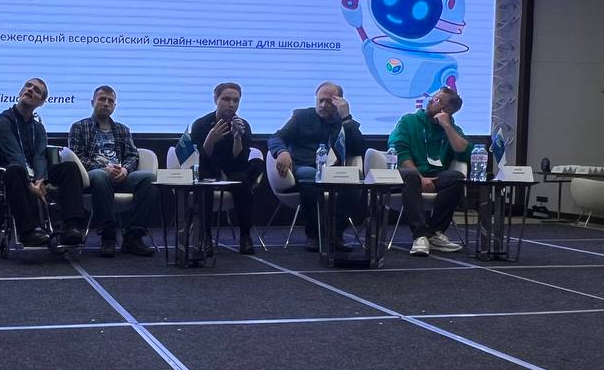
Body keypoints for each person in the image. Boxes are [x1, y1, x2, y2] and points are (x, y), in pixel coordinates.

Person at [268, 81, 368, 252]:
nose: (323, 105)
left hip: (333, 170)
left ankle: (336, 233)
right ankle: (314, 235)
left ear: (339, 102)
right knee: (311, 175)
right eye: (320, 100)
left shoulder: (344, 122)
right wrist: (282, 152)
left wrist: (346, 118)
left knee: (354, 182)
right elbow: (276, 138)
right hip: (304, 166)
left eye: (328, 101)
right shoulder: (301, 117)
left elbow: (359, 149)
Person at [0, 77, 86, 247]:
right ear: (21, 92)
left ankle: (72, 227)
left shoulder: (38, 128)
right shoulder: (3, 120)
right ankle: (29, 231)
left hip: (35, 173)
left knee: (70, 168)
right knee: (15, 169)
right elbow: (14, 154)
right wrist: (30, 183)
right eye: (28, 86)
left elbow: (39, 156)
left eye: (36, 90)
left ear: (41, 102)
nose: (30, 90)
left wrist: (40, 180)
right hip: (12, 171)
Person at [68, 86, 157, 257]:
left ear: (114, 106)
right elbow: (77, 157)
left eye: (110, 101)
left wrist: (125, 169)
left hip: (121, 176)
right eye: (102, 99)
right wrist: (103, 168)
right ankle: (108, 236)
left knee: (149, 178)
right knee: (101, 176)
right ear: (92, 102)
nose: (106, 104)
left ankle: (133, 236)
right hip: (93, 176)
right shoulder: (79, 127)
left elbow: (132, 155)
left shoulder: (122, 129)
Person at [387, 86, 472, 256]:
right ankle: (419, 235)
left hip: (435, 176)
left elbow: (464, 152)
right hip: (407, 174)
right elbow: (400, 152)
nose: (431, 101)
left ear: (446, 110)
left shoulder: (451, 128)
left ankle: (434, 233)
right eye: (433, 97)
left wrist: (447, 126)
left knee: (455, 177)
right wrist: (421, 178)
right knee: (411, 176)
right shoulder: (409, 121)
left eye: (437, 100)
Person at [190, 82, 264, 255]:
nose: (231, 104)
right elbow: (198, 160)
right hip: (208, 169)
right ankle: (205, 236)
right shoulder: (201, 124)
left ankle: (245, 236)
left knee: (243, 180)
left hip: (232, 170)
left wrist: (238, 138)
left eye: (236, 100)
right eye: (226, 99)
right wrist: (210, 139)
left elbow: (240, 161)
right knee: (204, 182)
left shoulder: (243, 125)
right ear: (216, 100)